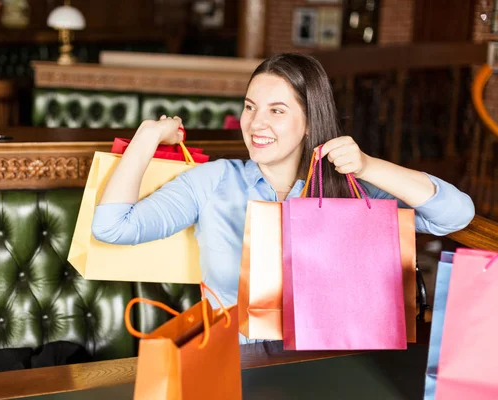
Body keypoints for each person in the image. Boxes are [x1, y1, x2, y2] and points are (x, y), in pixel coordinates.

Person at [91, 53, 475, 343]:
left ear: (310, 121)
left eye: (277, 110)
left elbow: (454, 216)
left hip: (337, 366)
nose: (256, 123)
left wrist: (369, 166)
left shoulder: (349, 188)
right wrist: (147, 137)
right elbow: (112, 227)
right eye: (250, 107)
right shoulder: (214, 181)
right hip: (240, 369)